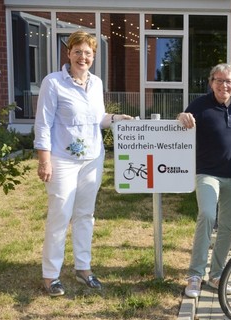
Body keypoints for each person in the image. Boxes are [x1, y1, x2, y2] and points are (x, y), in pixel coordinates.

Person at [34, 30, 132, 297]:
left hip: (92, 159)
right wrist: (44, 160)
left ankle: (83, 268)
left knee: (85, 216)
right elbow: (43, 123)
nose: (82, 57)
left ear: (93, 56)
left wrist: (116, 118)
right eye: (77, 51)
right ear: (68, 53)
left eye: (88, 53)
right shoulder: (53, 83)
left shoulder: (96, 83)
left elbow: (97, 118)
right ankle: (51, 275)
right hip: (62, 160)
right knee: (60, 216)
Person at [177, 63, 231, 298]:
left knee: (228, 227)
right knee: (207, 215)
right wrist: (182, 116)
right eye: (219, 80)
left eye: (229, 81)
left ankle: (216, 275)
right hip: (207, 173)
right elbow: (182, 118)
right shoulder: (200, 104)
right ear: (211, 83)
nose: (223, 85)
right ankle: (195, 275)